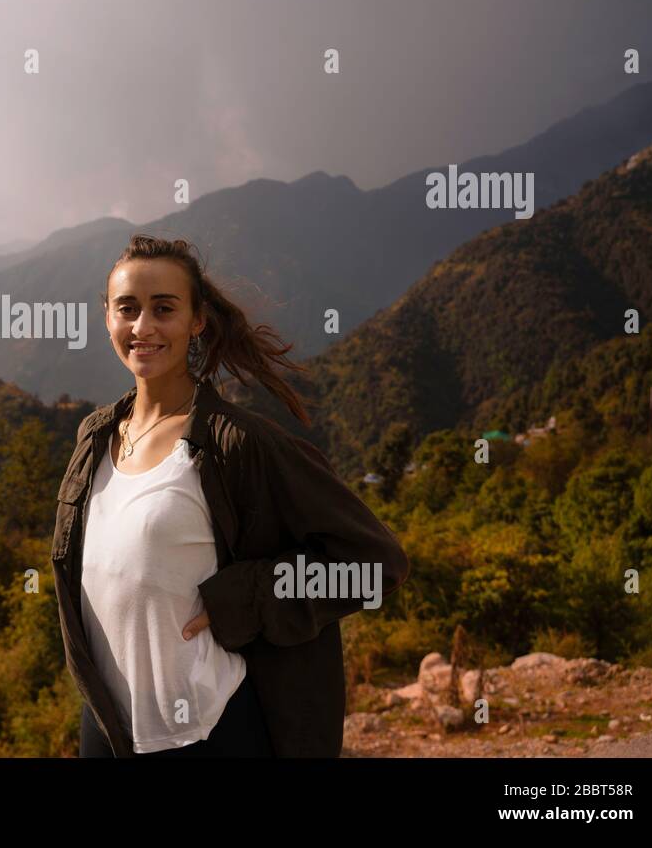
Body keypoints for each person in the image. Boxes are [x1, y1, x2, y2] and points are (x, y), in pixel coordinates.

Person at [51, 233, 410, 758]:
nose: (143, 326)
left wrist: (250, 594)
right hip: (107, 725)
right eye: (127, 308)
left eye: (164, 309)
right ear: (106, 316)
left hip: (210, 729)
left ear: (197, 320)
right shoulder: (93, 439)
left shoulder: (238, 444)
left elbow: (377, 563)